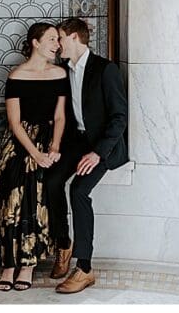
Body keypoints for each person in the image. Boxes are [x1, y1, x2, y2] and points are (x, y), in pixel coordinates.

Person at [45, 18, 129, 294]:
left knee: (79, 191)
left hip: (102, 146)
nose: (58, 45)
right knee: (52, 181)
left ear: (74, 37)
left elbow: (119, 117)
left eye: (60, 38)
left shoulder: (105, 69)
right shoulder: (62, 71)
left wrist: (97, 153)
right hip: (76, 142)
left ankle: (85, 268)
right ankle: (63, 245)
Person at [0, 22, 68, 291]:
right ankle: (9, 264)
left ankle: (28, 265)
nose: (57, 44)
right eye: (52, 39)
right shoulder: (17, 75)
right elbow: (14, 122)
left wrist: (53, 147)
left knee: (37, 193)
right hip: (19, 142)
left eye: (58, 40)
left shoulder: (59, 74)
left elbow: (60, 116)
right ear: (35, 42)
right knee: (13, 193)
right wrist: (34, 153)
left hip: (47, 139)